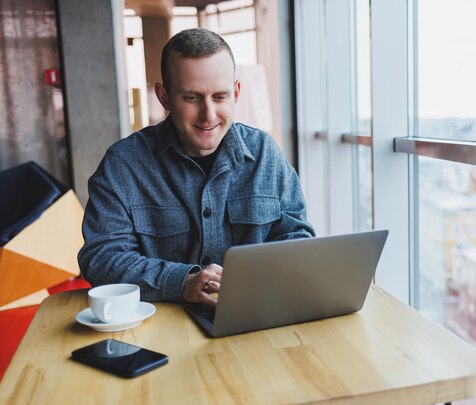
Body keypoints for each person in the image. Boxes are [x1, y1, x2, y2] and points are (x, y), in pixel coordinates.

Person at [78, 28, 315, 307]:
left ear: (236, 93)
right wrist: (183, 282)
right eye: (191, 98)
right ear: (164, 97)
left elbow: (296, 238)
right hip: (160, 324)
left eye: (219, 96)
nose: (209, 115)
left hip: (252, 315)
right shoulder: (123, 164)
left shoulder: (265, 153)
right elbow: (102, 258)